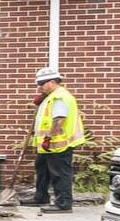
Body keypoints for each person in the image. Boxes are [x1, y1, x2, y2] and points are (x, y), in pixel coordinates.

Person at [29, 65, 85, 212]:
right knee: (42, 170)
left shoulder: (59, 97)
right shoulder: (50, 97)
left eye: (42, 84)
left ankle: (63, 204)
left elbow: (59, 120)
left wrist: (48, 138)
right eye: (38, 84)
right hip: (48, 146)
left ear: (53, 82)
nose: (39, 87)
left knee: (59, 173)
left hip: (57, 144)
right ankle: (40, 197)